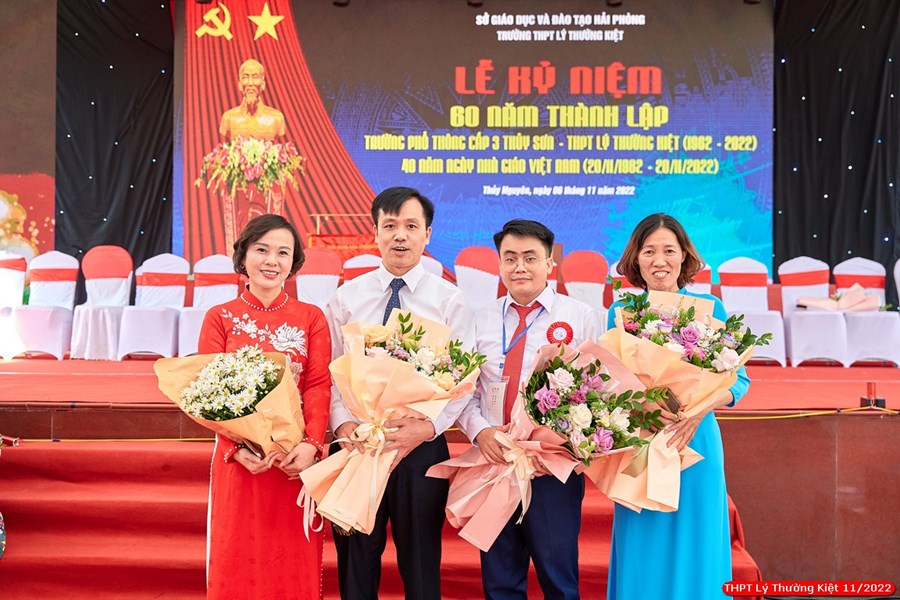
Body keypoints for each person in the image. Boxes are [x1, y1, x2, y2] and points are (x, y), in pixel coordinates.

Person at [324, 186, 475, 600]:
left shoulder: (450, 300)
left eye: (411, 226)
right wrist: (343, 426)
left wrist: (428, 428)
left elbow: (465, 379)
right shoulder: (346, 297)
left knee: (421, 563)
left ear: (427, 234)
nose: (400, 236)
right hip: (357, 445)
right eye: (390, 226)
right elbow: (331, 371)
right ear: (375, 233)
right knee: (355, 561)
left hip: (420, 447)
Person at [606, 213, 750, 600]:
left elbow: (739, 381)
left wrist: (699, 409)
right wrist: (643, 403)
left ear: (684, 256)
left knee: (697, 543)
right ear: (635, 259)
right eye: (649, 251)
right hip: (641, 442)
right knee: (642, 545)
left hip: (696, 440)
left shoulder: (711, 308)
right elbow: (610, 382)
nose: (659, 260)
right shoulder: (621, 312)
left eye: (669, 250)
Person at [456, 219, 601, 600]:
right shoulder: (479, 318)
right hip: (494, 460)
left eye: (530, 258)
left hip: (550, 466)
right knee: (500, 579)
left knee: (559, 578)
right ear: (500, 264)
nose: (519, 267)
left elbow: (597, 392)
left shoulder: (580, 316)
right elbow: (462, 389)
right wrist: (481, 432)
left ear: (550, 263)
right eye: (510, 258)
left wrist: (563, 443)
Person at [197, 214, 331, 599]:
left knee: (290, 559)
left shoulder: (311, 318)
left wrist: (311, 445)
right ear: (243, 256)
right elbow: (208, 392)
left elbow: (318, 385)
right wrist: (236, 447)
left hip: (294, 461)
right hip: (240, 460)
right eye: (262, 250)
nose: (272, 260)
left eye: (283, 252)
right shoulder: (219, 317)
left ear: (294, 262)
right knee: (237, 555)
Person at [218, 58, 288, 249]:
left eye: (255, 77)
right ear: (239, 83)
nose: (250, 83)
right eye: (246, 77)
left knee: (267, 235)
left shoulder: (275, 118)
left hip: (267, 191)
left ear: (263, 83)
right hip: (238, 193)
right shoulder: (229, 118)